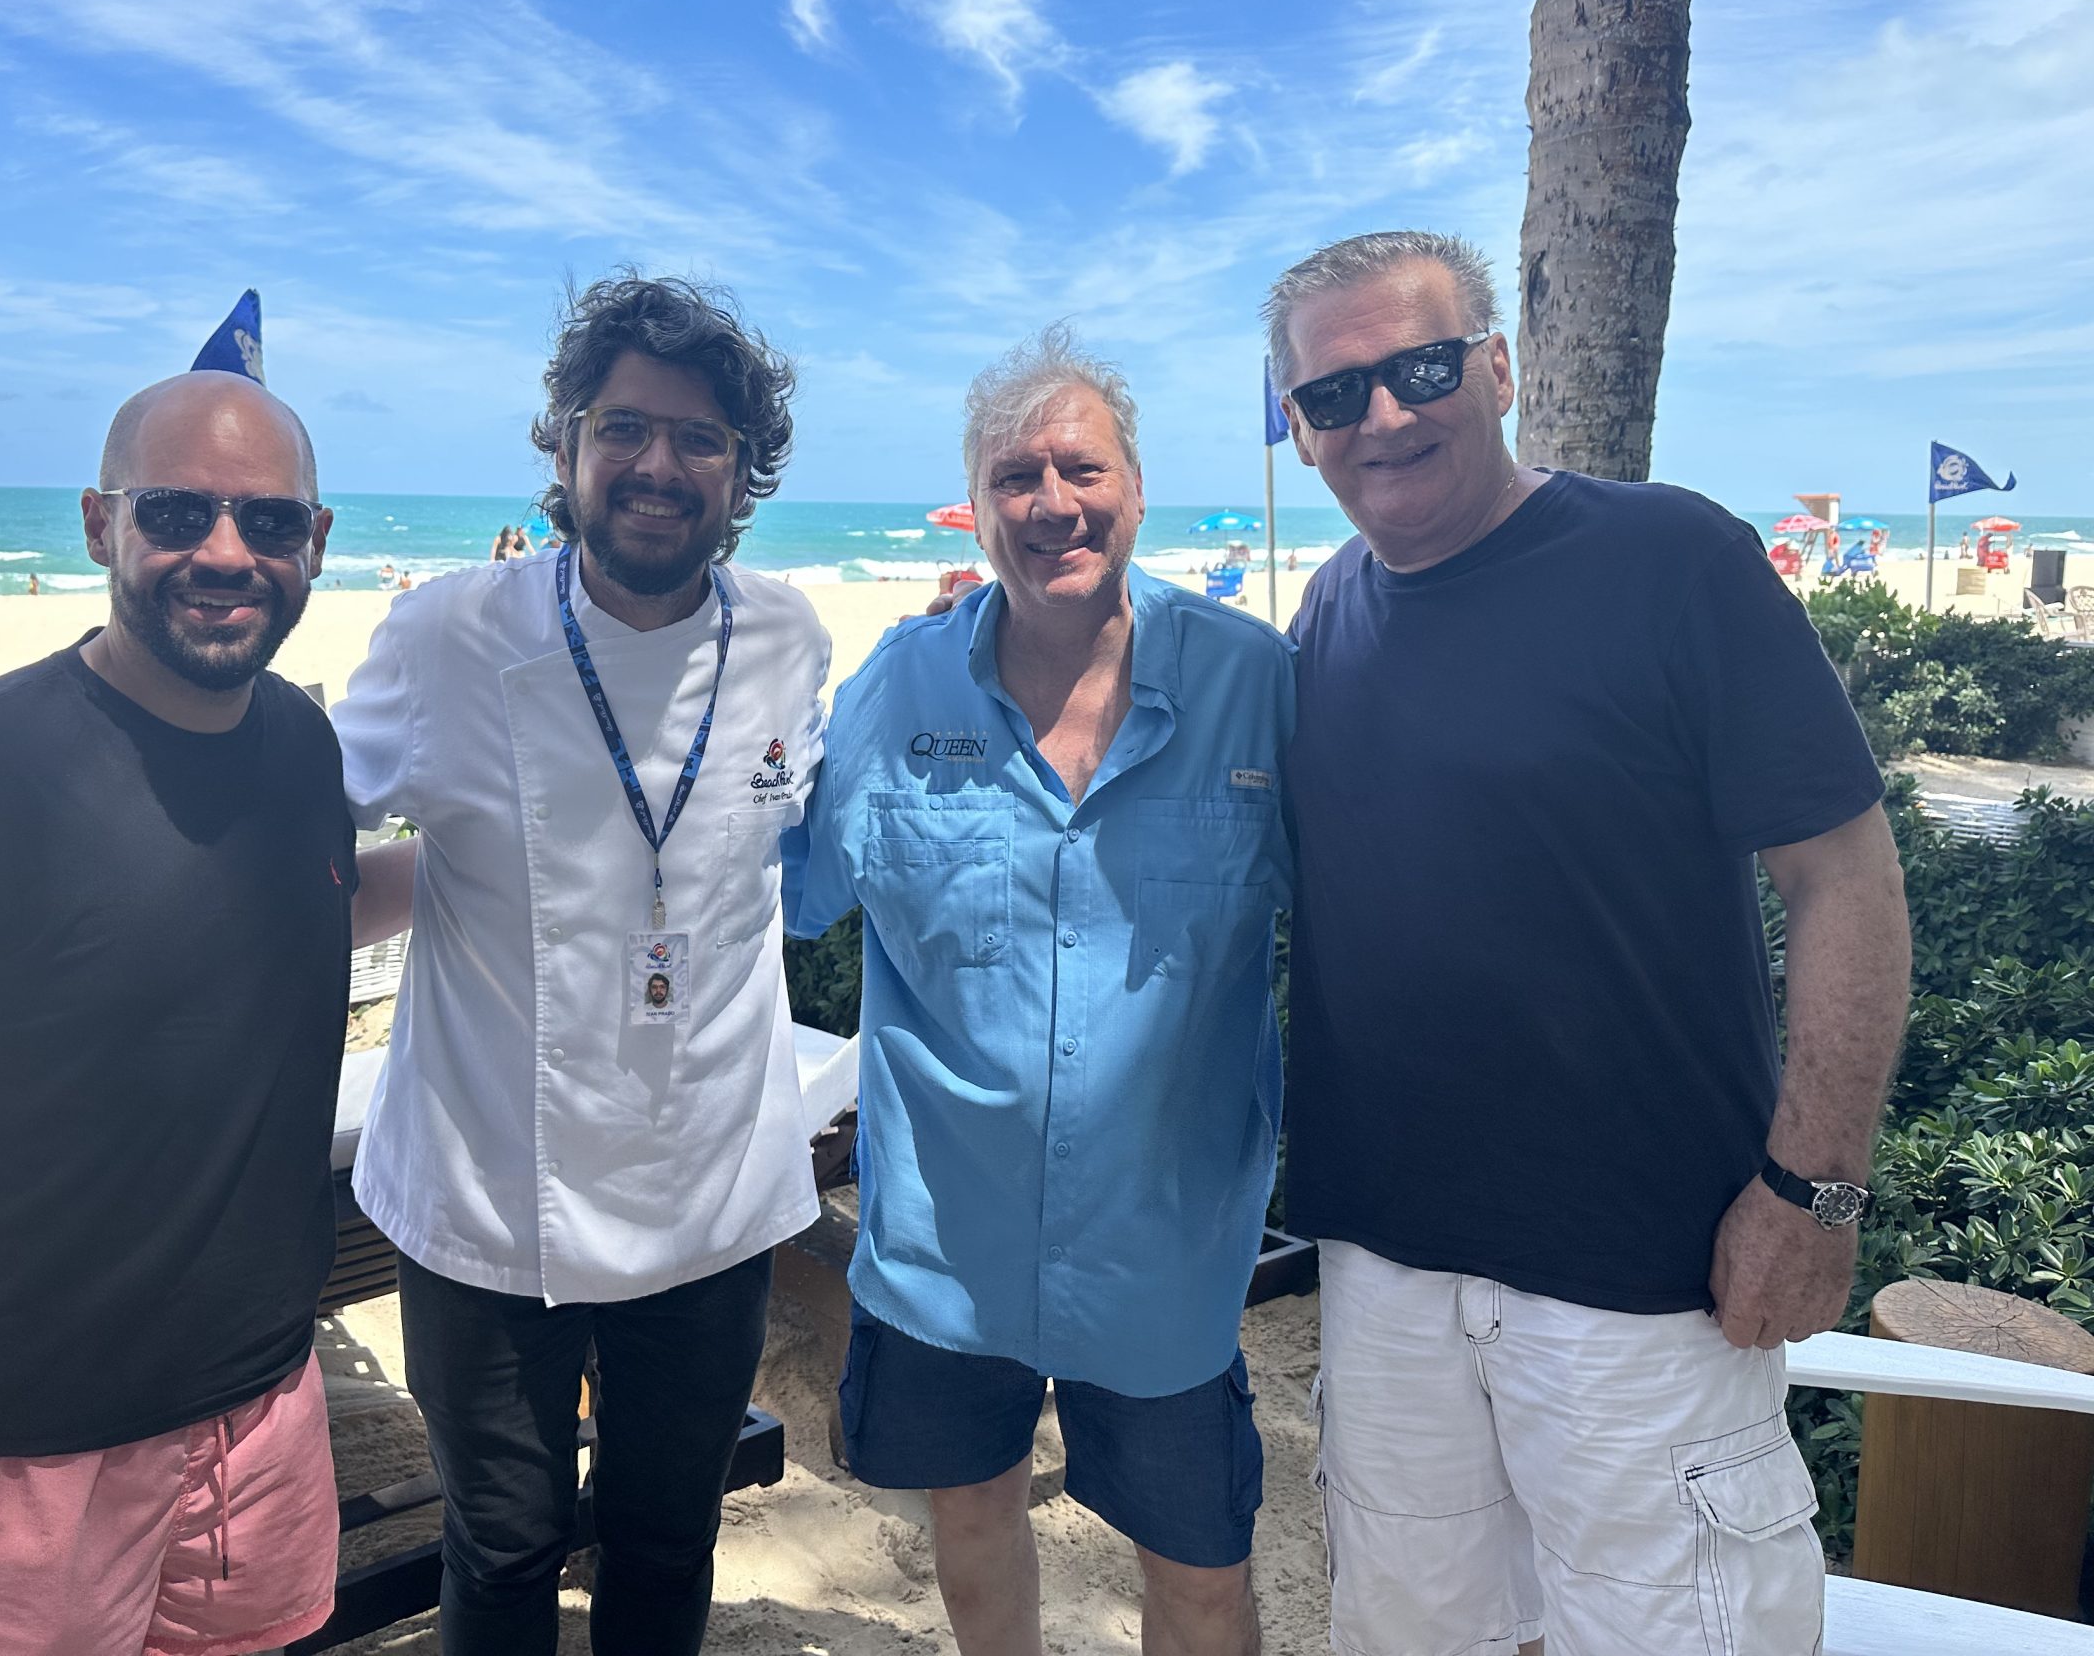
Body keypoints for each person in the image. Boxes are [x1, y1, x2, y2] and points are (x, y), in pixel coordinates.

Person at [1263, 231, 1909, 1656]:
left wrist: (1816, 1191)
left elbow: (1847, 878)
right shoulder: (1329, 614)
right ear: (1299, 428)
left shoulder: (1670, 557)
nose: (1384, 414)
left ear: (1495, 369)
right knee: (1412, 1635)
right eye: (1334, 393)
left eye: (1422, 367)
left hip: (1646, 1279)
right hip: (1387, 1269)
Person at [0, 366, 356, 1656]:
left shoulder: (304, 746)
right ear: (100, 525)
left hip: (263, 1417)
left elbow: (291, 908)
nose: (222, 553)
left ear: (315, 543)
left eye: (266, 523)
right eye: (175, 512)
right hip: (17, 1458)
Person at [331, 274, 829, 1656]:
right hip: (493, 1194)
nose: (661, 465)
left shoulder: (791, 639)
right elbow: (298, 833)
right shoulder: (448, 634)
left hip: (711, 1188)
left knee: (673, 1536)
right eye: (625, 427)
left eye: (702, 440)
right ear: (566, 448)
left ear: (743, 474)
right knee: (502, 1540)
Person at [787, 325, 1291, 1656]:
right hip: (947, 1248)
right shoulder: (896, 689)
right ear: (978, 504)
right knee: (972, 1519)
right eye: (1015, 477)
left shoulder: (1255, 686)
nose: (1050, 503)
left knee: (1198, 1566)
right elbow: (780, 895)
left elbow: (1379, 918)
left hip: (1168, 1252)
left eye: (1080, 470)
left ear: (1136, 490)